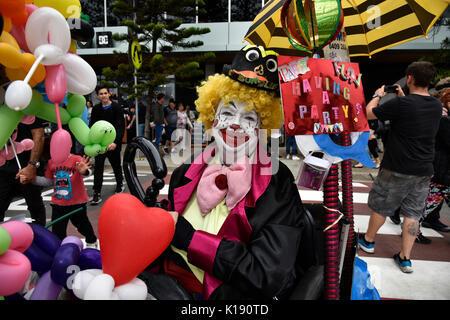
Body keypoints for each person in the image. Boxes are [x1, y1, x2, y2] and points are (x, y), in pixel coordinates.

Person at [138, 46, 310, 300]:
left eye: (249, 118)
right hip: (160, 284)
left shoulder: (277, 183)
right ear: (213, 117)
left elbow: (265, 276)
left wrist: (190, 239)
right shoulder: (186, 172)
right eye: (227, 113)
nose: (236, 124)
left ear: (263, 125)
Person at [358, 61, 442, 273]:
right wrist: (402, 98)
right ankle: (405, 258)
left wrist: (377, 95)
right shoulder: (435, 105)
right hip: (423, 169)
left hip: (397, 166)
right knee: (413, 213)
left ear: (410, 78)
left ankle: (368, 241)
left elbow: (368, 113)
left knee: (382, 205)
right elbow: (414, 109)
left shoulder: (400, 105)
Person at [32, 150, 98, 248]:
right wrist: (32, 179)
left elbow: (87, 171)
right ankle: (62, 252)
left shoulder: (76, 159)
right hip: (58, 203)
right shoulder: (51, 162)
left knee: (83, 226)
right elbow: (49, 181)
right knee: (58, 232)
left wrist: (84, 171)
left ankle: (92, 241)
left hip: (77, 203)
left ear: (69, 144)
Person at [0, 119, 46, 226]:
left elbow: (39, 134)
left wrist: (32, 165)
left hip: (25, 164)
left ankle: (40, 238)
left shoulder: (29, 106)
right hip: (2, 166)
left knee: (35, 206)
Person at [421, 83, 450, 233]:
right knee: (427, 204)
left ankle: (429, 220)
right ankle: (413, 228)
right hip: (442, 170)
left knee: (430, 202)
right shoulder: (444, 120)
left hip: (444, 171)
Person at [89, 86, 125, 205]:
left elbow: (120, 127)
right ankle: (96, 193)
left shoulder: (117, 107)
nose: (104, 95)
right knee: (98, 167)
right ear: (98, 96)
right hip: (100, 144)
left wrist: (115, 142)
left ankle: (120, 184)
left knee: (116, 166)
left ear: (109, 94)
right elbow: (92, 126)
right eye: (101, 94)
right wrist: (93, 142)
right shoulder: (96, 109)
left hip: (113, 143)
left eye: (105, 93)